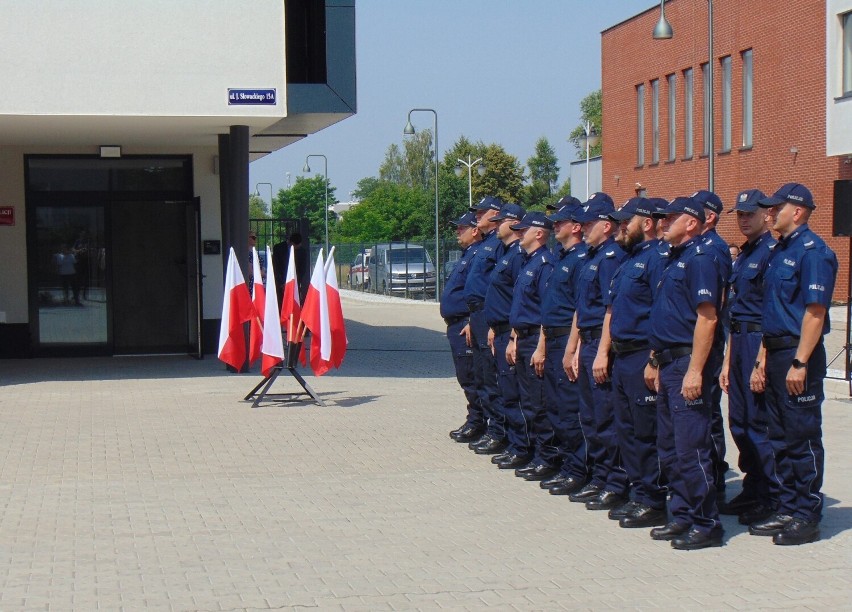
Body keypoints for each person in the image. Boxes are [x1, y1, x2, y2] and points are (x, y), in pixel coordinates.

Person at [748, 183, 837, 546]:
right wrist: (763, 358)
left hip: (800, 355)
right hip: (776, 351)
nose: (769, 214)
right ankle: (787, 506)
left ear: (797, 211)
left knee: (801, 437)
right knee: (780, 437)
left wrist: (800, 362)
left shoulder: (814, 253)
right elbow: (773, 313)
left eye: (776, 208)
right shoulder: (779, 251)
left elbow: (815, 313)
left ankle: (806, 514)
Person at [647, 196, 724, 550]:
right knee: (670, 447)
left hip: (686, 364)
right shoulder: (675, 259)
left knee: (692, 447)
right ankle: (681, 515)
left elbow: (707, 318)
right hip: (669, 363)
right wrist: (656, 360)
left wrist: (695, 370)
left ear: (691, 222)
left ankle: (705, 523)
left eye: (671, 217)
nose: (663, 222)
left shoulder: (701, 259)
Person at [606, 197, 668, 528]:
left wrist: (655, 358)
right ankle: (638, 492)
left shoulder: (657, 258)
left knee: (646, 432)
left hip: (642, 353)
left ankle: (653, 499)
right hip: (622, 355)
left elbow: (660, 311)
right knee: (627, 430)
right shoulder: (629, 261)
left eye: (624, 222)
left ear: (646, 223)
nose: (619, 227)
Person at [563, 193, 628, 510]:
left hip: (600, 345)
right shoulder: (592, 258)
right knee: (590, 417)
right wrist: (573, 347)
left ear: (606, 224)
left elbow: (609, 311)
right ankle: (599, 476)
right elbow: (580, 308)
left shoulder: (612, 258)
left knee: (605, 418)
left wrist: (602, 351)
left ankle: (614, 482)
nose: (583, 228)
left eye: (588, 223)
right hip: (587, 343)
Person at [718, 189, 778, 526]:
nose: (743, 219)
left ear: (766, 215)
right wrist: (728, 361)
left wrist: (762, 360)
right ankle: (753, 488)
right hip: (739, 339)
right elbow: (733, 313)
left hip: (758, 340)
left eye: (749, 214)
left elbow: (770, 311)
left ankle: (770, 496)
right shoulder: (742, 256)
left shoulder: (771, 253)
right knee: (739, 422)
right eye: (739, 214)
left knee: (758, 424)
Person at [532, 200, 589, 496]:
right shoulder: (561, 258)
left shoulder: (580, 259)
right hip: (552, 339)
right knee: (555, 407)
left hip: (567, 339)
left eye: (561, 222)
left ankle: (578, 469)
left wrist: (573, 347)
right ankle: (568, 465)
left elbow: (580, 308)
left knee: (569, 409)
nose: (555, 226)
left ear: (576, 227)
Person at [504, 212, 557, 479]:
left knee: (538, 402)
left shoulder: (545, 263)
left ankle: (545, 458)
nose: (518, 233)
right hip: (523, 337)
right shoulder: (528, 263)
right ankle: (535, 454)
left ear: (538, 233)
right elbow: (521, 306)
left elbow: (546, 310)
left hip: (536, 337)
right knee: (527, 400)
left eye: (523, 230)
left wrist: (541, 347)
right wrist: (514, 339)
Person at [692, 190, 731, 500]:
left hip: (709, 342)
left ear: (710, 217)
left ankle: (715, 478)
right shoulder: (696, 247)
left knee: (707, 413)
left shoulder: (713, 249)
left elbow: (713, 304)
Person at [464, 196, 509, 454]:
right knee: (482, 376)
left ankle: (498, 432)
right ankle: (491, 428)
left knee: (492, 379)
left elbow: (497, 286)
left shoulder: (499, 244)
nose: (477, 216)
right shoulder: (486, 245)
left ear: (494, 213)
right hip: (478, 316)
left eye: (481, 212)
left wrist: (490, 320)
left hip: (488, 315)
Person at [484, 203, 528, 463]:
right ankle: (514, 444)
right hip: (499, 330)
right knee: (505, 390)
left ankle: (520, 446)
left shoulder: (519, 256)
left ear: (512, 223)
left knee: (514, 394)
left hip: (512, 332)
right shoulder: (507, 254)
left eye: (500, 220)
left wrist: (512, 334)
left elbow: (519, 300)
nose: (496, 224)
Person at [443, 212, 485, 443]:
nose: (458, 232)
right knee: (466, 376)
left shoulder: (477, 255)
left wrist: (471, 320)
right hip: (456, 325)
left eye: (462, 228)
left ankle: (477, 421)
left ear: (475, 230)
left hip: (464, 325)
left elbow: (478, 293)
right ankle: (476, 419)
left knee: (471, 377)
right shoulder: (468, 255)